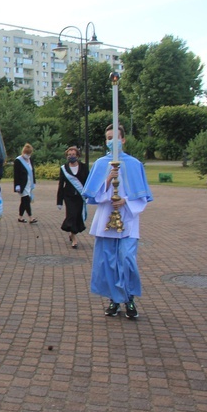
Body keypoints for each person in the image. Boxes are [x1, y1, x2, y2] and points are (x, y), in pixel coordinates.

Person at [83, 124, 152, 320]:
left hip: (128, 220)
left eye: (114, 137)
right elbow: (91, 196)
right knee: (108, 263)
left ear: (123, 140)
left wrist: (126, 201)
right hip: (106, 219)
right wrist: (107, 180)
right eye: (108, 138)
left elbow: (142, 196)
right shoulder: (100, 164)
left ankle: (129, 298)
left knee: (127, 259)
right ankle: (114, 299)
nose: (111, 141)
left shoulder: (134, 164)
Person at [57, 146, 89, 249]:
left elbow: (87, 182)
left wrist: (89, 195)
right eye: (69, 155)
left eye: (73, 155)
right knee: (71, 214)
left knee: (77, 215)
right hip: (69, 196)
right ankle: (74, 239)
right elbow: (61, 185)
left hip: (80, 196)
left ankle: (72, 233)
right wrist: (59, 201)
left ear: (77, 156)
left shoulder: (83, 167)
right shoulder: (64, 168)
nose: (71, 156)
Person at [13, 143, 37, 223]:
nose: (27, 155)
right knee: (26, 200)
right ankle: (31, 217)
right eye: (26, 153)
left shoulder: (30, 160)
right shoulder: (18, 160)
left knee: (24, 201)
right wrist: (17, 185)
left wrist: (34, 181)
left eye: (29, 153)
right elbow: (16, 174)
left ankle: (20, 217)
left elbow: (32, 171)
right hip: (22, 184)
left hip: (29, 183)